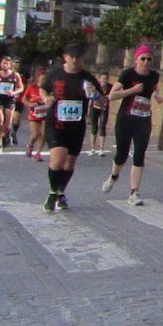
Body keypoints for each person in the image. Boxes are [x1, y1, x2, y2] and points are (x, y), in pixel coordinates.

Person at [39, 44, 99, 212]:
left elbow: (102, 101)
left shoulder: (88, 78)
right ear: (65, 57)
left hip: (76, 126)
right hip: (56, 123)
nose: (75, 60)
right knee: (58, 158)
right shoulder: (55, 74)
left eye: (78, 57)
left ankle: (61, 191)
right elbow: (43, 89)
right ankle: (52, 193)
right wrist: (46, 99)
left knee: (69, 163)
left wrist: (94, 94)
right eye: (72, 56)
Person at [101, 47, 163, 206]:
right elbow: (112, 95)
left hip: (143, 119)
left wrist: (157, 96)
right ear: (136, 59)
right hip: (126, 118)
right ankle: (113, 176)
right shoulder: (128, 74)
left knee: (140, 153)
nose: (146, 62)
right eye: (143, 58)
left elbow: (154, 88)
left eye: (149, 59)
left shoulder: (154, 75)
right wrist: (132, 90)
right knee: (122, 154)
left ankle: (134, 192)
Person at [0, 56, 24, 152]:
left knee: (7, 125)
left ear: (10, 64)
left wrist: (14, 92)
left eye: (7, 63)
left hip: (10, 99)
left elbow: (21, 88)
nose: (5, 65)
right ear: (0, 64)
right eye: (3, 63)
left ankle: (5, 137)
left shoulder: (15, 75)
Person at [20, 66, 48, 161]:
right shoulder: (32, 88)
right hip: (34, 114)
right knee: (35, 133)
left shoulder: (49, 90)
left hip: (45, 114)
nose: (43, 82)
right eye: (41, 80)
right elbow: (24, 99)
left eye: (44, 80)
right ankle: (30, 145)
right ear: (37, 80)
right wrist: (30, 104)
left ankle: (38, 153)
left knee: (44, 133)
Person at [87, 72, 113, 156]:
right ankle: (92, 149)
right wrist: (88, 109)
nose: (104, 80)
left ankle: (101, 149)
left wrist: (108, 97)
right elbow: (90, 97)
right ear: (99, 79)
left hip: (104, 109)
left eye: (106, 79)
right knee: (94, 127)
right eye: (102, 78)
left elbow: (113, 95)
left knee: (102, 127)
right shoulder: (96, 86)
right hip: (94, 108)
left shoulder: (110, 87)